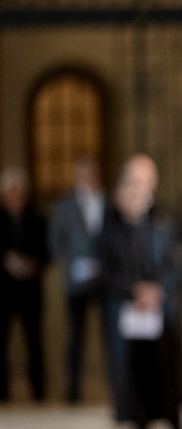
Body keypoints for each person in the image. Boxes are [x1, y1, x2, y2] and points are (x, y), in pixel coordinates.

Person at [100, 155, 182, 429]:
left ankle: (172, 419)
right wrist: (134, 290)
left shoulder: (162, 221)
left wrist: (158, 289)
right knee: (134, 366)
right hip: (129, 306)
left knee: (167, 364)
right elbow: (107, 267)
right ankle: (139, 421)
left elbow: (175, 262)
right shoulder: (113, 225)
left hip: (161, 305)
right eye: (132, 187)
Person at [49, 156, 106, 403]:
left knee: (110, 335)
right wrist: (72, 263)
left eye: (90, 174)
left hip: (105, 278)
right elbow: (56, 242)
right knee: (75, 335)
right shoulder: (65, 206)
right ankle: (73, 388)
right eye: (82, 174)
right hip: (76, 280)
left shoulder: (107, 202)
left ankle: (115, 388)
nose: (87, 179)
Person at [0, 168, 48, 402]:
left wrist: (35, 263)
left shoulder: (36, 218)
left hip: (30, 290)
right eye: (11, 192)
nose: (15, 196)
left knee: (34, 341)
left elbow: (47, 249)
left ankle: (39, 391)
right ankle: (3, 392)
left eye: (18, 191)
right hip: (4, 291)